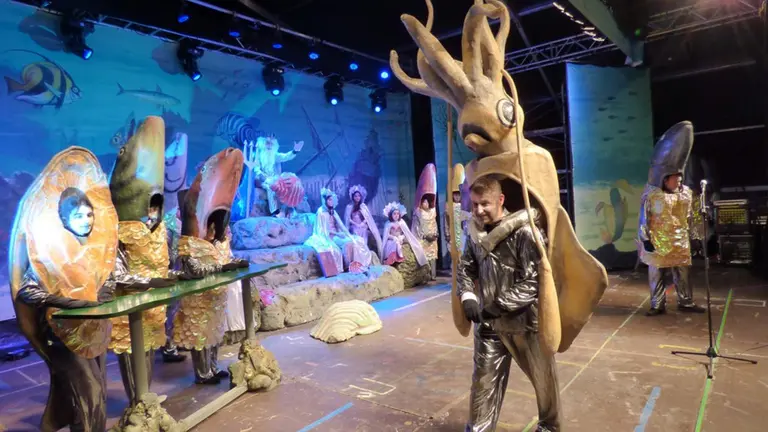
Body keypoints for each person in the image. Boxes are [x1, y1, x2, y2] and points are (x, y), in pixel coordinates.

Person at [457, 175, 560, 432]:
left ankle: (549, 428)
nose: (479, 210)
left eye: (485, 204)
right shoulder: (475, 233)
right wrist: (468, 296)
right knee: (483, 385)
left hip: (526, 325)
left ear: (500, 200)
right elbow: (466, 269)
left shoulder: (526, 233)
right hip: (489, 327)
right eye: (475, 204)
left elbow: (536, 281)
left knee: (544, 384)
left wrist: (499, 305)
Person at [173, 148, 250, 384]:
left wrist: (231, 264)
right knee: (200, 333)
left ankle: (213, 367)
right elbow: (191, 269)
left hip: (217, 297)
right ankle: (202, 371)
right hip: (199, 298)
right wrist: (220, 269)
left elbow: (223, 261)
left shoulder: (221, 241)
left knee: (215, 331)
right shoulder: (192, 241)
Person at [638, 121, 706, 316]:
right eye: (673, 178)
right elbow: (644, 219)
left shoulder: (685, 194)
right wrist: (646, 239)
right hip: (658, 241)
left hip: (679, 241)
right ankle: (657, 304)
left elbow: (691, 217)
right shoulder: (652, 195)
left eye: (679, 177)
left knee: (683, 273)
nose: (678, 180)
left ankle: (686, 301)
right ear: (664, 178)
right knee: (656, 274)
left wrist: (697, 237)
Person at [306, 188, 372, 274]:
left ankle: (357, 265)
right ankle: (346, 267)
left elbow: (341, 225)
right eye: (329, 200)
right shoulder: (321, 212)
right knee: (341, 247)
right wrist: (338, 234)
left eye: (332, 200)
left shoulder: (332, 211)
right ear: (325, 201)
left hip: (337, 234)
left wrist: (348, 234)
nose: (331, 202)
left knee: (356, 241)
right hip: (329, 236)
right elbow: (323, 230)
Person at [248, 136, 304, 215]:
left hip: (274, 178)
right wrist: (265, 178)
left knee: (286, 185)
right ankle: (274, 211)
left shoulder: (274, 155)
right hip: (261, 179)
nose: (269, 146)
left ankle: (288, 208)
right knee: (271, 187)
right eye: (267, 143)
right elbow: (256, 170)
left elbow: (285, 156)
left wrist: (294, 151)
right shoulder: (258, 155)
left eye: (271, 144)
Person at [382, 202, 429, 268]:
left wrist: (402, 236)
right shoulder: (388, 224)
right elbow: (386, 235)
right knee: (393, 244)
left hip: (400, 239)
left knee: (412, 243)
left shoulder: (401, 222)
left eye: (397, 214)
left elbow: (406, 232)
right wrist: (393, 237)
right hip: (392, 240)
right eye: (394, 214)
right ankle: (392, 260)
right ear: (391, 215)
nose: (396, 215)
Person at [344, 185, 383, 259]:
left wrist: (362, 223)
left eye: (359, 196)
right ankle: (357, 255)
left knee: (364, 231)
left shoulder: (363, 206)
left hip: (362, 226)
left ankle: (364, 255)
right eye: (355, 196)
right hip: (354, 226)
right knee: (355, 233)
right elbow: (348, 218)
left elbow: (367, 217)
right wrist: (355, 224)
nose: (357, 197)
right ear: (353, 197)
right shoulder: (349, 207)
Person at [445, 163, 471, 254]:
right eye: (455, 195)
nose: (457, 197)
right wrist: (447, 233)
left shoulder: (464, 205)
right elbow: (447, 221)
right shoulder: (449, 206)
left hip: (462, 231)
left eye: (458, 195)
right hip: (454, 232)